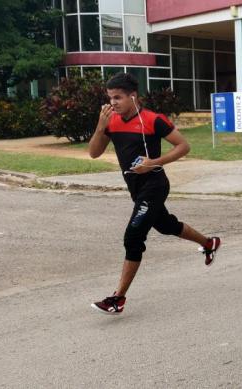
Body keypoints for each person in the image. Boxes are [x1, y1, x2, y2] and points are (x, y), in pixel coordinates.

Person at [88, 73, 221, 315]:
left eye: (117, 98)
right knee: (166, 225)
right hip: (136, 189)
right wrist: (99, 127)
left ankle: (117, 299)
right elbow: (94, 153)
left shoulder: (152, 120)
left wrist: (154, 162)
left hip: (155, 185)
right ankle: (209, 243)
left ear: (133, 96)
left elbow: (184, 146)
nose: (113, 103)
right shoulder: (111, 121)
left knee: (133, 237)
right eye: (110, 98)